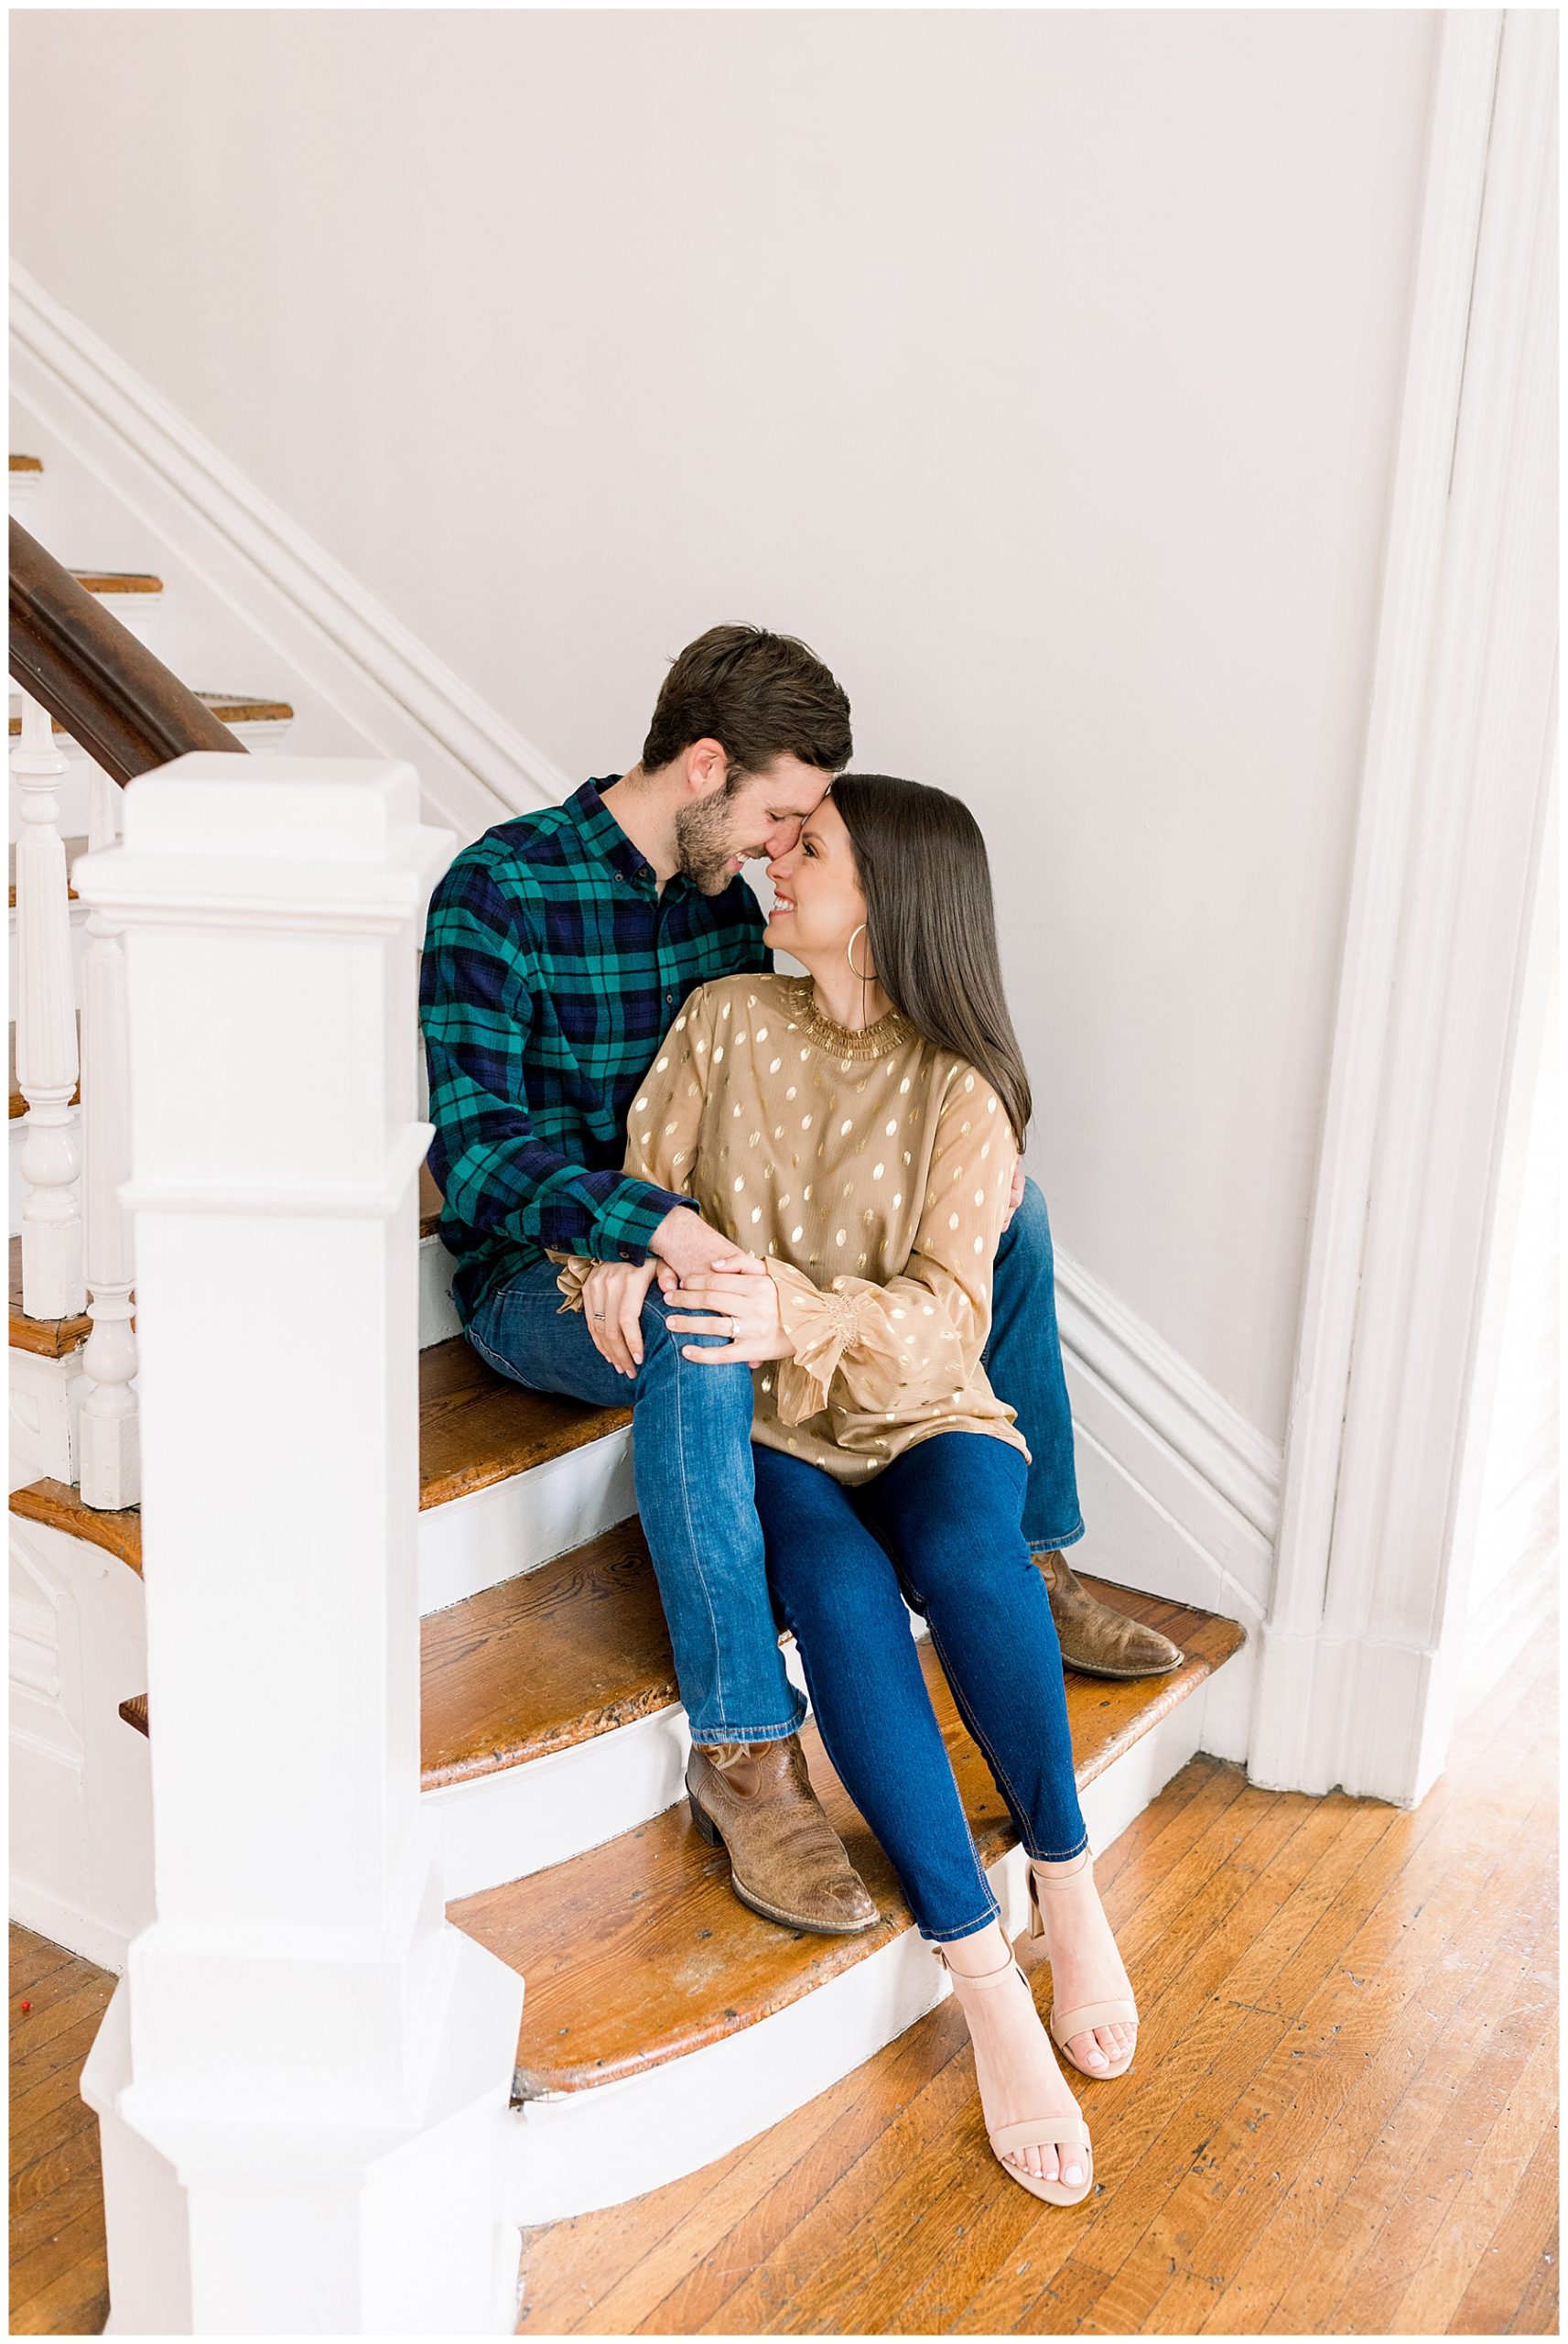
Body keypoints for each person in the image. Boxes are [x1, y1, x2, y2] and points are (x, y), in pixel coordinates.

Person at [419, 623, 1180, 1939]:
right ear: (703, 764)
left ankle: (1032, 1555)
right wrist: (627, 1229)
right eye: (778, 814)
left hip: (680, 1239)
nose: (782, 848)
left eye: (801, 833)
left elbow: (738, 1114)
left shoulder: (724, 910)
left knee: (1020, 1214)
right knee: (700, 1321)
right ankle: (743, 1748)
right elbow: (475, 1148)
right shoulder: (498, 890)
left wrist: (692, 1233)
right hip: (540, 1269)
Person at [555, 775, 1137, 2207]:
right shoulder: (723, 1023)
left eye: (809, 847)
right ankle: (982, 1974)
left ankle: (1063, 1869)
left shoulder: (963, 1088)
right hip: (773, 1428)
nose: (774, 856)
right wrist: (619, 1270)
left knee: (973, 1555)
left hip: (922, 1407)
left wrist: (789, 1311)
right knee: (831, 1590)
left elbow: (950, 1317)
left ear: (892, 901)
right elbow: (637, 1199)